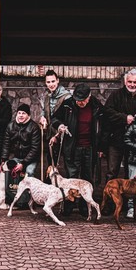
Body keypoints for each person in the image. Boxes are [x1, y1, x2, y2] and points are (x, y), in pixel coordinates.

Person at [50, 83, 105, 216]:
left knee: (87, 177)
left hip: (90, 147)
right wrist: (60, 125)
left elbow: (104, 128)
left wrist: (101, 147)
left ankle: (85, 207)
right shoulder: (68, 104)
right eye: (78, 100)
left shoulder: (97, 106)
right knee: (71, 178)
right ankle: (68, 206)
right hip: (72, 147)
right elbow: (54, 118)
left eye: (82, 101)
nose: (80, 103)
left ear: (89, 96)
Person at [103, 68, 136, 181]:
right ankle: (109, 197)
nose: (132, 84)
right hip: (116, 140)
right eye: (130, 82)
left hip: (135, 141)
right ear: (125, 82)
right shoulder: (115, 95)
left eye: (135, 82)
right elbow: (107, 112)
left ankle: (128, 198)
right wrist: (124, 118)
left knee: (131, 172)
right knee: (112, 172)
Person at [39, 70, 71, 167]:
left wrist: (58, 135)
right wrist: (42, 117)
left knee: (67, 164)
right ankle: (51, 181)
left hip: (63, 135)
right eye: (48, 82)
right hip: (50, 133)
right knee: (51, 163)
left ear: (57, 80)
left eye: (53, 81)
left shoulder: (67, 97)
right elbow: (44, 110)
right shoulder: (47, 96)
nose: (51, 84)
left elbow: (68, 120)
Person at [1, 104, 41, 177]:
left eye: (23, 113)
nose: (21, 115)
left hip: (31, 159)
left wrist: (23, 163)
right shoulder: (10, 126)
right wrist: (4, 160)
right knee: (6, 170)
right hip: (17, 157)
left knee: (29, 172)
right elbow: (6, 144)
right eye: (19, 113)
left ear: (28, 115)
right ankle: (13, 188)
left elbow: (35, 149)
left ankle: (27, 188)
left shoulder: (34, 127)